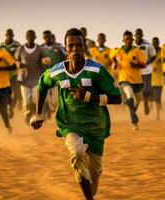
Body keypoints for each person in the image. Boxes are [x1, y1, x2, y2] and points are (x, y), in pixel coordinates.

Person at [30, 28, 121, 200]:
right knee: (77, 152)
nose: (75, 50)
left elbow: (117, 98)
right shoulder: (57, 72)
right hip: (69, 124)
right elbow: (42, 84)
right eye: (70, 46)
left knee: (94, 178)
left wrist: (89, 96)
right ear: (65, 48)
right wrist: (38, 113)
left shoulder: (96, 70)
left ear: (85, 47)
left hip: (95, 129)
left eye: (79, 46)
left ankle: (90, 194)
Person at [111, 30, 146, 130]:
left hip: (137, 81)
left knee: (137, 101)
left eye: (130, 39)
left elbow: (144, 64)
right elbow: (112, 57)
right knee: (129, 95)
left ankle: (132, 111)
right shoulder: (118, 50)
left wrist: (136, 65)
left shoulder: (137, 51)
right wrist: (115, 63)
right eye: (126, 39)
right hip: (124, 80)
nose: (128, 41)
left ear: (133, 40)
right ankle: (134, 120)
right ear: (123, 40)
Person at [14, 30, 49, 124]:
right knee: (27, 102)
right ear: (26, 37)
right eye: (28, 35)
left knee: (36, 99)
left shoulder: (40, 49)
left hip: (37, 79)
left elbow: (46, 58)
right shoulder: (20, 49)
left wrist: (45, 61)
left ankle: (37, 116)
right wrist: (18, 64)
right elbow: (16, 61)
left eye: (32, 36)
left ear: (35, 37)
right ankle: (27, 114)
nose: (30, 37)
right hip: (24, 80)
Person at [41, 30, 67, 112]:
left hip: (57, 75)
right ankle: (46, 110)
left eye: (49, 37)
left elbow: (65, 57)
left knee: (55, 101)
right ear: (43, 38)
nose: (47, 38)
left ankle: (52, 107)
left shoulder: (58, 47)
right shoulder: (41, 48)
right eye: (45, 37)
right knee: (44, 97)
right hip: (45, 75)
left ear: (51, 37)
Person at [134, 28, 156, 116]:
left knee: (147, 89)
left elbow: (153, 56)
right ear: (134, 36)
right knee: (138, 92)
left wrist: (147, 62)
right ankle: (134, 109)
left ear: (142, 35)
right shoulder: (131, 45)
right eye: (137, 34)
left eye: (140, 34)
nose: (138, 36)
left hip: (147, 70)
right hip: (135, 72)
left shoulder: (148, 44)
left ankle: (146, 101)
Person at [0, 28, 21, 118]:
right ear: (5, 35)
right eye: (7, 35)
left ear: (13, 35)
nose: (9, 36)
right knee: (5, 94)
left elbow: (21, 56)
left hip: (14, 73)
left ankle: (11, 108)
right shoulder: (1, 46)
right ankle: (6, 108)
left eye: (11, 35)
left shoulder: (17, 45)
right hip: (3, 74)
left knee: (16, 94)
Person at [151, 37, 164, 120]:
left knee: (157, 98)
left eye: (157, 42)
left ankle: (157, 114)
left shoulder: (162, 51)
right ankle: (157, 108)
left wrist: (161, 61)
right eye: (154, 43)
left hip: (159, 80)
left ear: (158, 43)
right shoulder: (149, 52)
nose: (155, 44)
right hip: (149, 79)